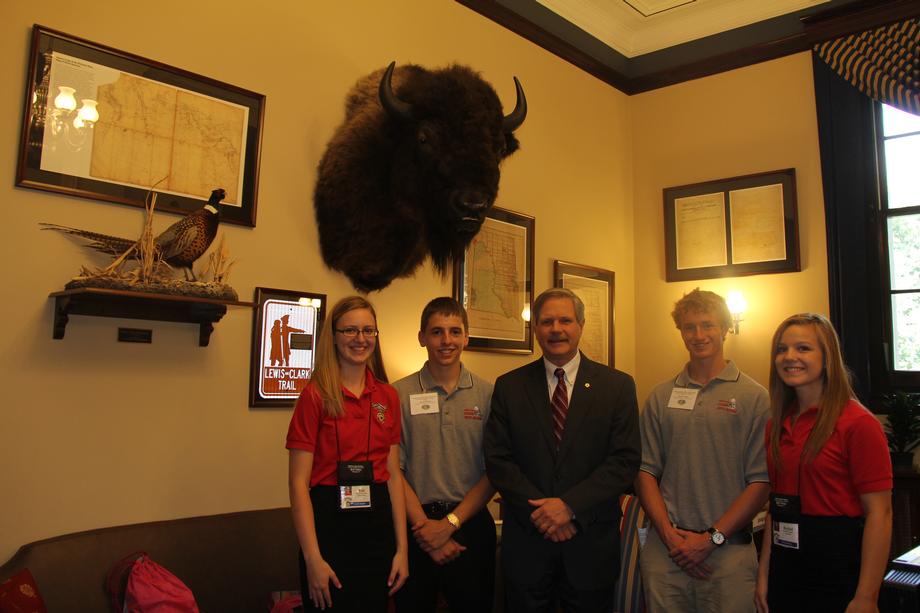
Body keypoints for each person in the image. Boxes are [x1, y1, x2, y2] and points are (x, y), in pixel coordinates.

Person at [484, 287, 641, 613]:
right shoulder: (509, 386)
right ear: (536, 329)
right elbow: (499, 460)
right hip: (528, 546)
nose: (556, 329)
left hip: (590, 549)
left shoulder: (617, 386)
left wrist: (569, 507)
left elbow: (624, 461)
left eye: (565, 320)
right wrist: (543, 515)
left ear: (581, 325)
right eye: (547, 321)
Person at [636, 288, 769, 613]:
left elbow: (761, 482)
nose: (699, 335)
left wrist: (711, 539)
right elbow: (645, 471)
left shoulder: (755, 397)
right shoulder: (660, 396)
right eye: (689, 327)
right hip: (667, 552)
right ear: (680, 332)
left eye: (708, 325)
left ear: (725, 328)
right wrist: (669, 536)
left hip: (728, 554)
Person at [755, 313, 892, 613]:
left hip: (838, 565)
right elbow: (775, 508)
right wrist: (764, 575)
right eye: (781, 349)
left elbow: (880, 514)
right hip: (786, 564)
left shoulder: (858, 424)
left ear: (827, 356)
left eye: (803, 348)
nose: (789, 357)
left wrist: (867, 596)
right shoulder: (777, 424)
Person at [286, 296, 408, 612]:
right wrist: (313, 558)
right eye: (350, 330)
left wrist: (402, 550)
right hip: (329, 526)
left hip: (377, 524)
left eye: (369, 330)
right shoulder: (314, 395)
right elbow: (298, 484)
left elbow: (394, 476)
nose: (361, 338)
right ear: (334, 335)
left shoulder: (388, 396)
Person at [393, 297, 496, 613]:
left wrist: (449, 525)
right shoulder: (396, 394)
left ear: (466, 337)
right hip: (415, 525)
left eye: (455, 331)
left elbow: (495, 470)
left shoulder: (490, 394)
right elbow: (392, 470)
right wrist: (427, 531)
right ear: (422, 337)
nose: (446, 340)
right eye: (437, 332)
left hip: (471, 525)